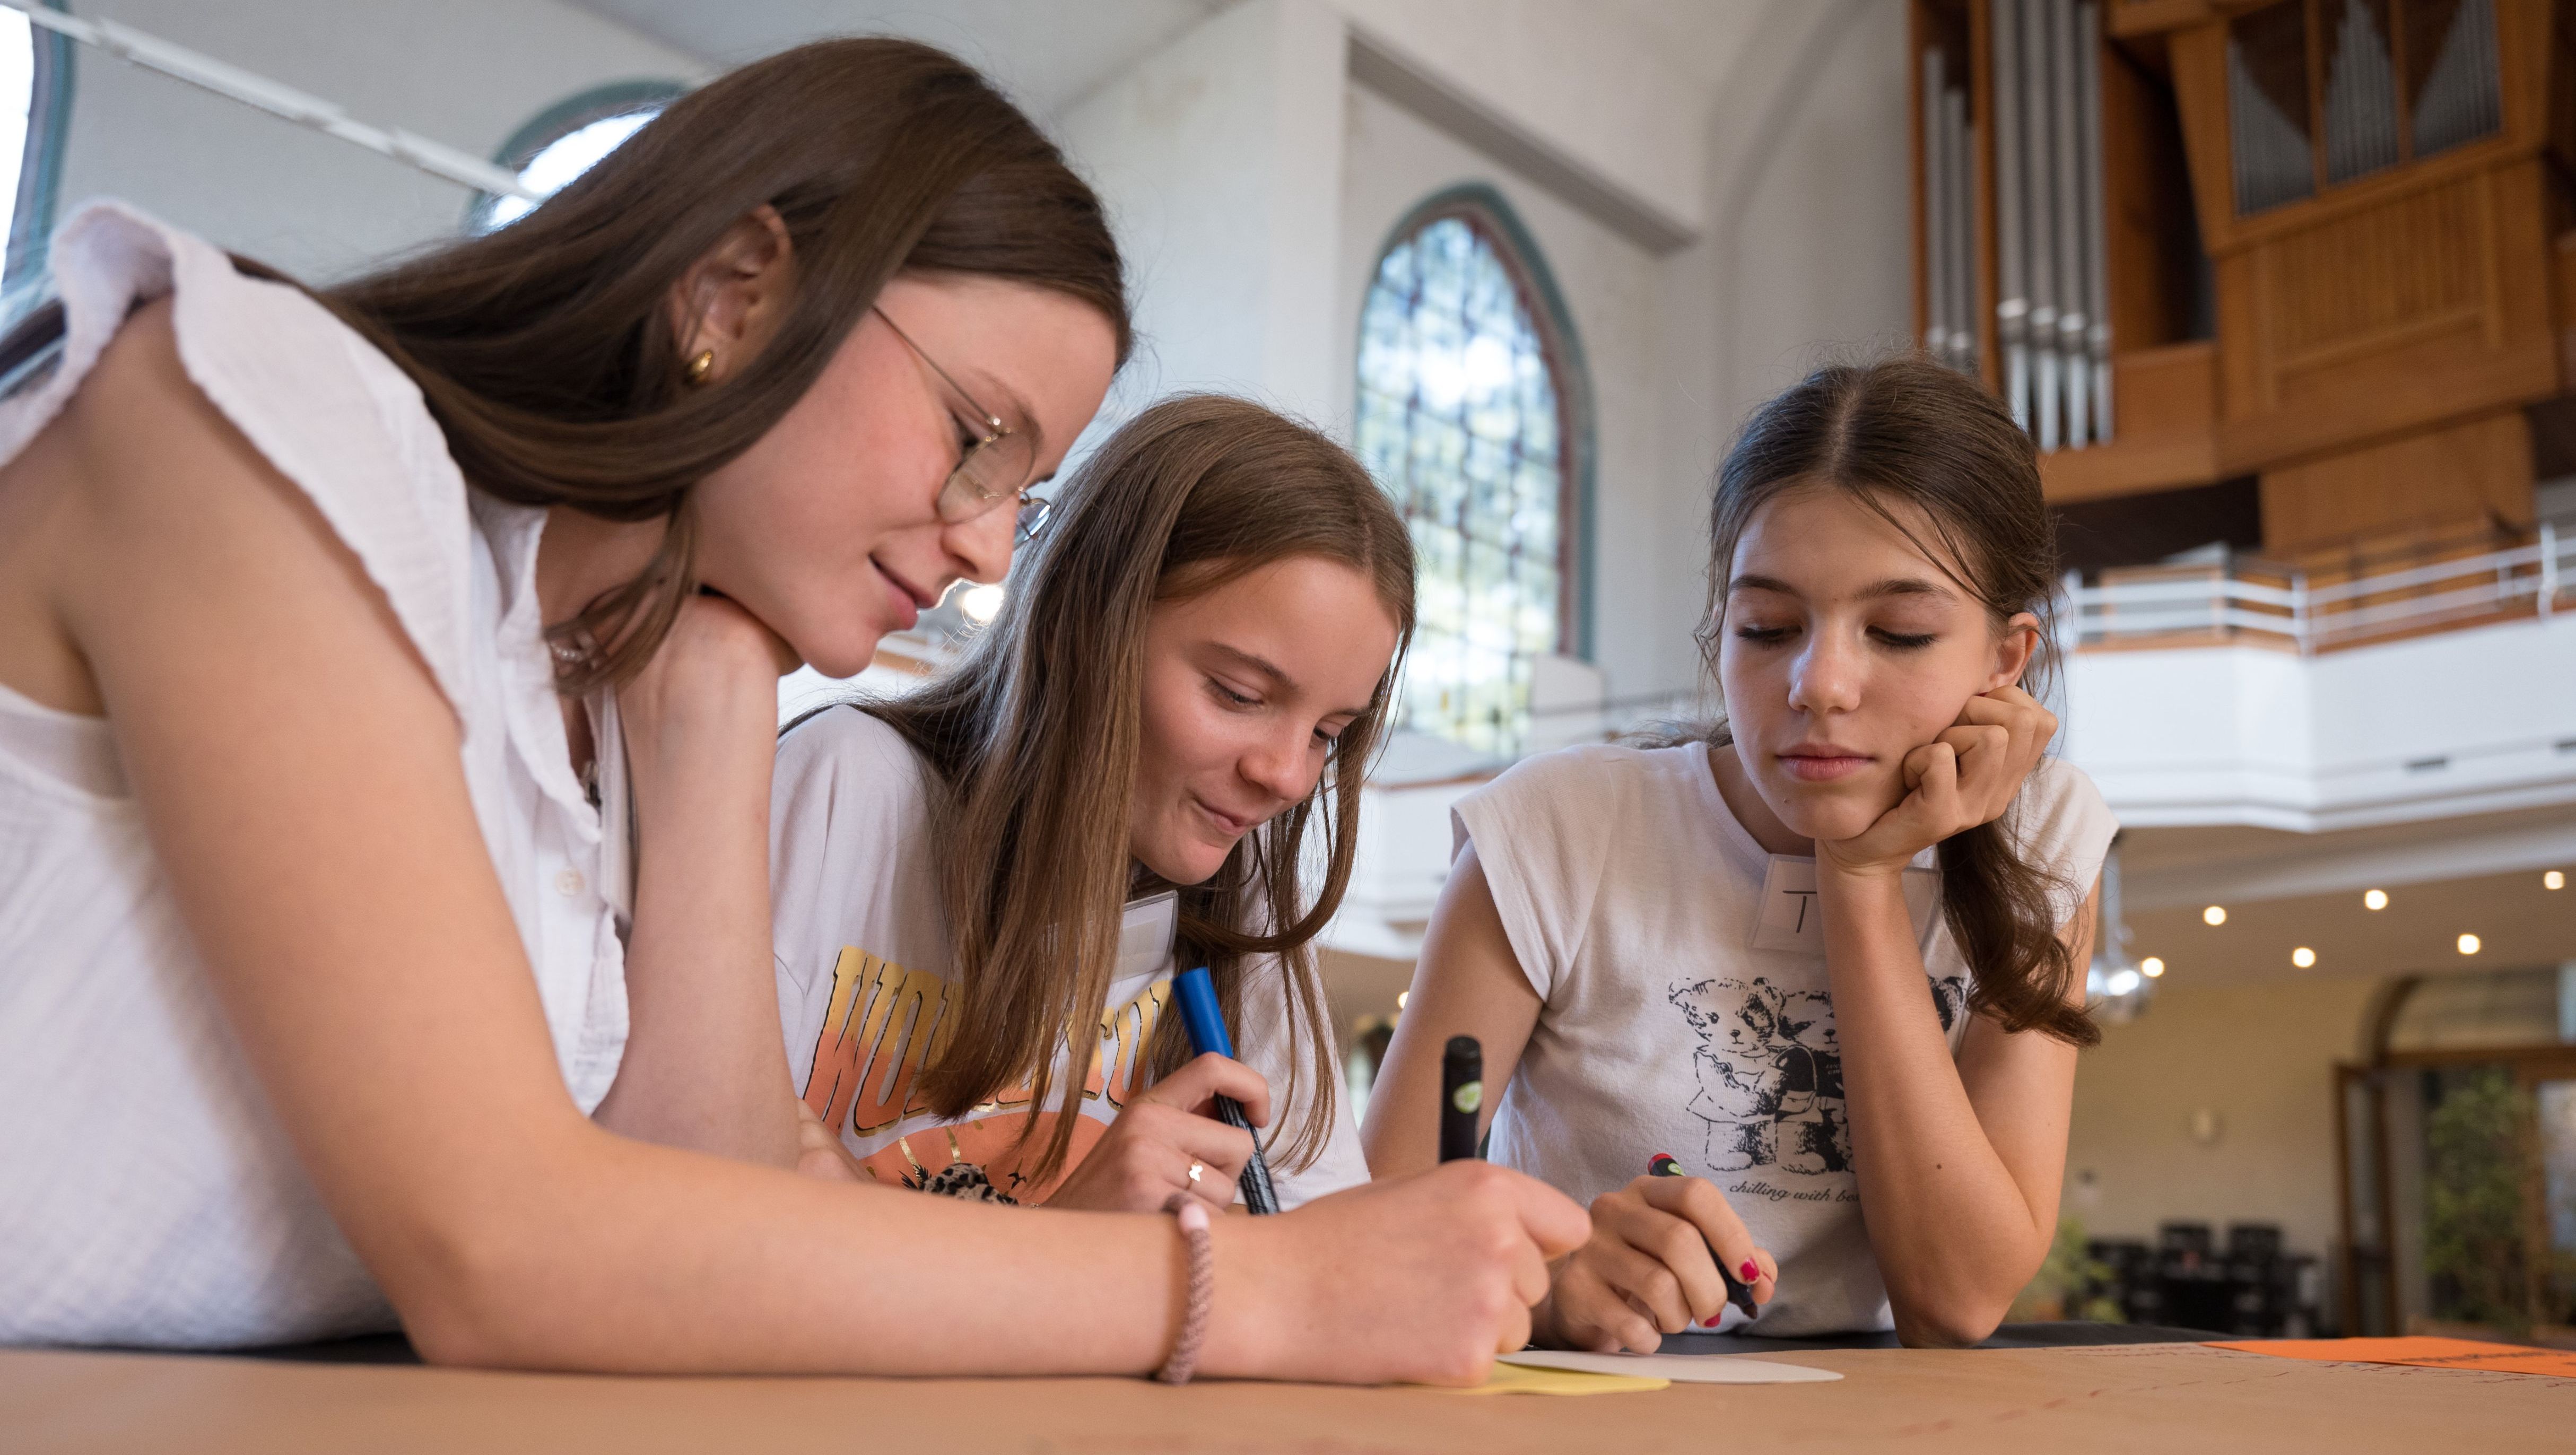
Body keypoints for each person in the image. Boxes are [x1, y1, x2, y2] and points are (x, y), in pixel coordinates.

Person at [0, 37, 1582, 1383]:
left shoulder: (612, 679)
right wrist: (1264, 1298)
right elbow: (504, 1246)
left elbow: (713, 1186)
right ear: (738, 292)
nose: (978, 551)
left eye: (1017, 493)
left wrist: (709, 701)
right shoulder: (251, 417)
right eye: (980, 437)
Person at [1362, 356, 2116, 1351]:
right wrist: (1549, 1282)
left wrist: (1858, 877)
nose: (1821, 683)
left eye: (1896, 632)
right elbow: (1370, 1240)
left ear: (2005, 660)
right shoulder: (1562, 830)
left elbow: (1955, 1300)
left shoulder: (2044, 841)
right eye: (1769, 628)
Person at [765, 395, 1403, 1214]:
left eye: (1328, 732)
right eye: (1239, 694)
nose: (1287, 776)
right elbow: (716, 1211)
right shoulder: (847, 789)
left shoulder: (1240, 905)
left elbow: (1318, 1250)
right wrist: (1075, 1243)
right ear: (1086, 622)